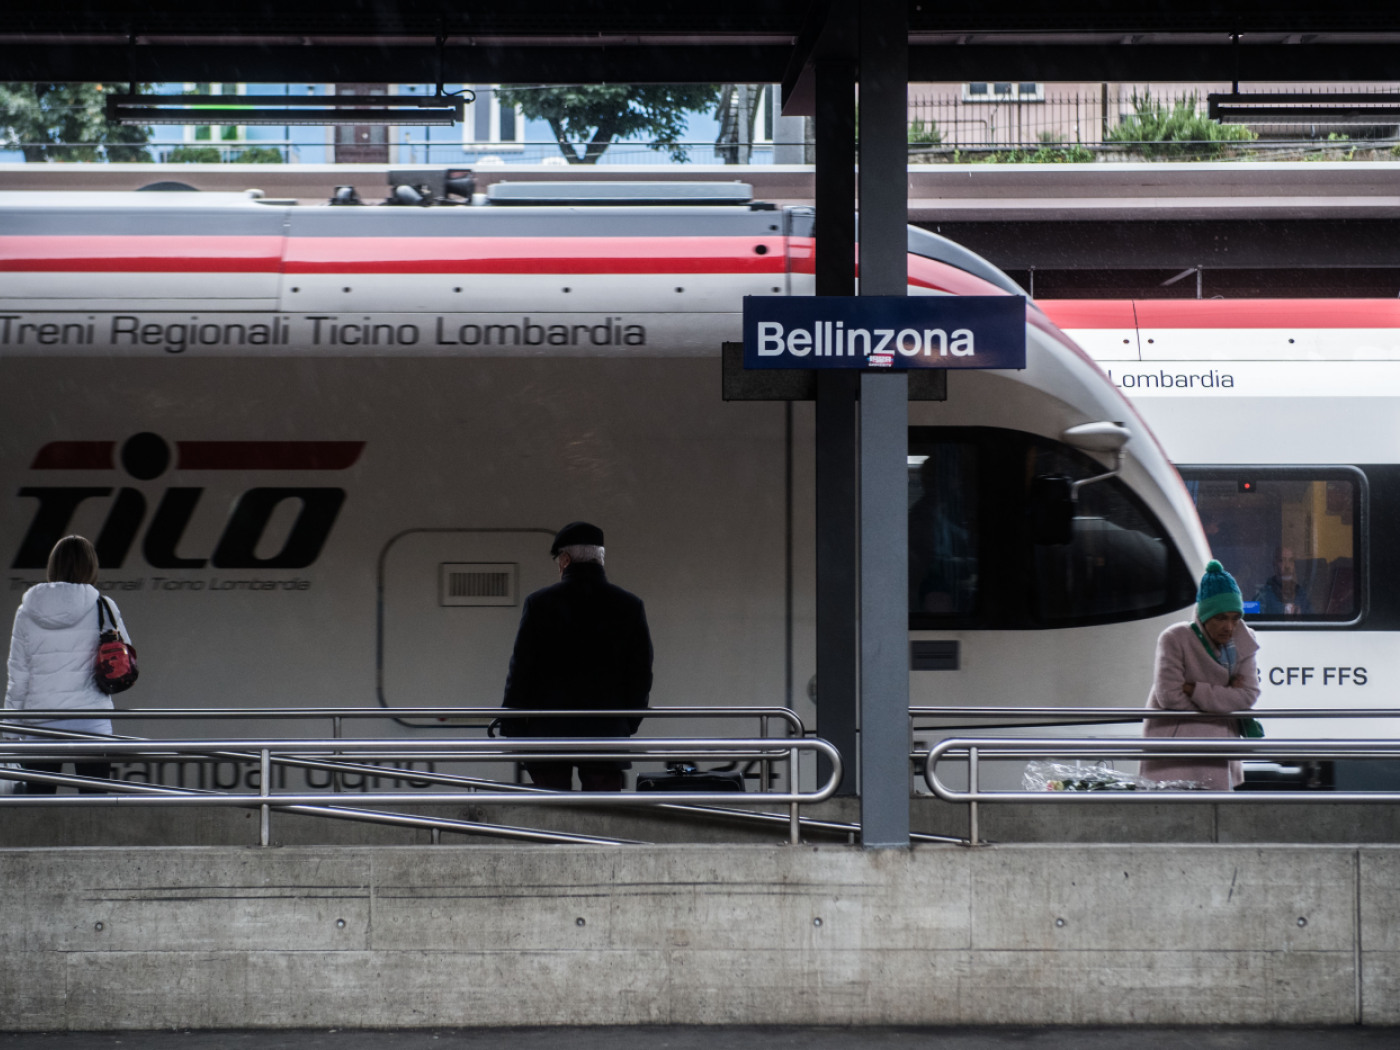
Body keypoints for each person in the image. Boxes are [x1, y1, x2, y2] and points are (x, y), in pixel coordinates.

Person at [501, 522, 653, 791]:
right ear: (600, 559)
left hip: (548, 734)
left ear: (566, 560)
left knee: (553, 813)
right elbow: (640, 674)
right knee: (601, 817)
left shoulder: (539, 603)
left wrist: (512, 725)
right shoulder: (629, 605)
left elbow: (521, 669)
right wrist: (628, 721)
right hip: (606, 733)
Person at [4, 535, 127, 793]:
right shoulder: (103, 607)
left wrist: (10, 726)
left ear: (53, 566)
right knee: (95, 805)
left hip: (40, 722)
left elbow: (19, 675)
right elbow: (122, 655)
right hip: (91, 720)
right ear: (90, 566)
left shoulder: (26, 611)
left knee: (38, 806)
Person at [1141, 560, 1260, 791]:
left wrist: (1195, 689)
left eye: (1235, 618)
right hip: (1175, 747)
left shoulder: (1245, 640)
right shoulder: (1174, 638)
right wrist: (1226, 696)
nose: (1229, 627)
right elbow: (1169, 697)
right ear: (1204, 616)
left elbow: (1248, 695)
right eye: (1221, 618)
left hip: (1217, 747)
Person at [1254, 546, 1309, 615]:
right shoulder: (1264, 596)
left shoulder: (1301, 594)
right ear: (1275, 565)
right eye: (1282, 561)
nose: (1287, 566)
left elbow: (1314, 622)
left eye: (1291, 560)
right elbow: (1255, 622)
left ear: (1294, 565)